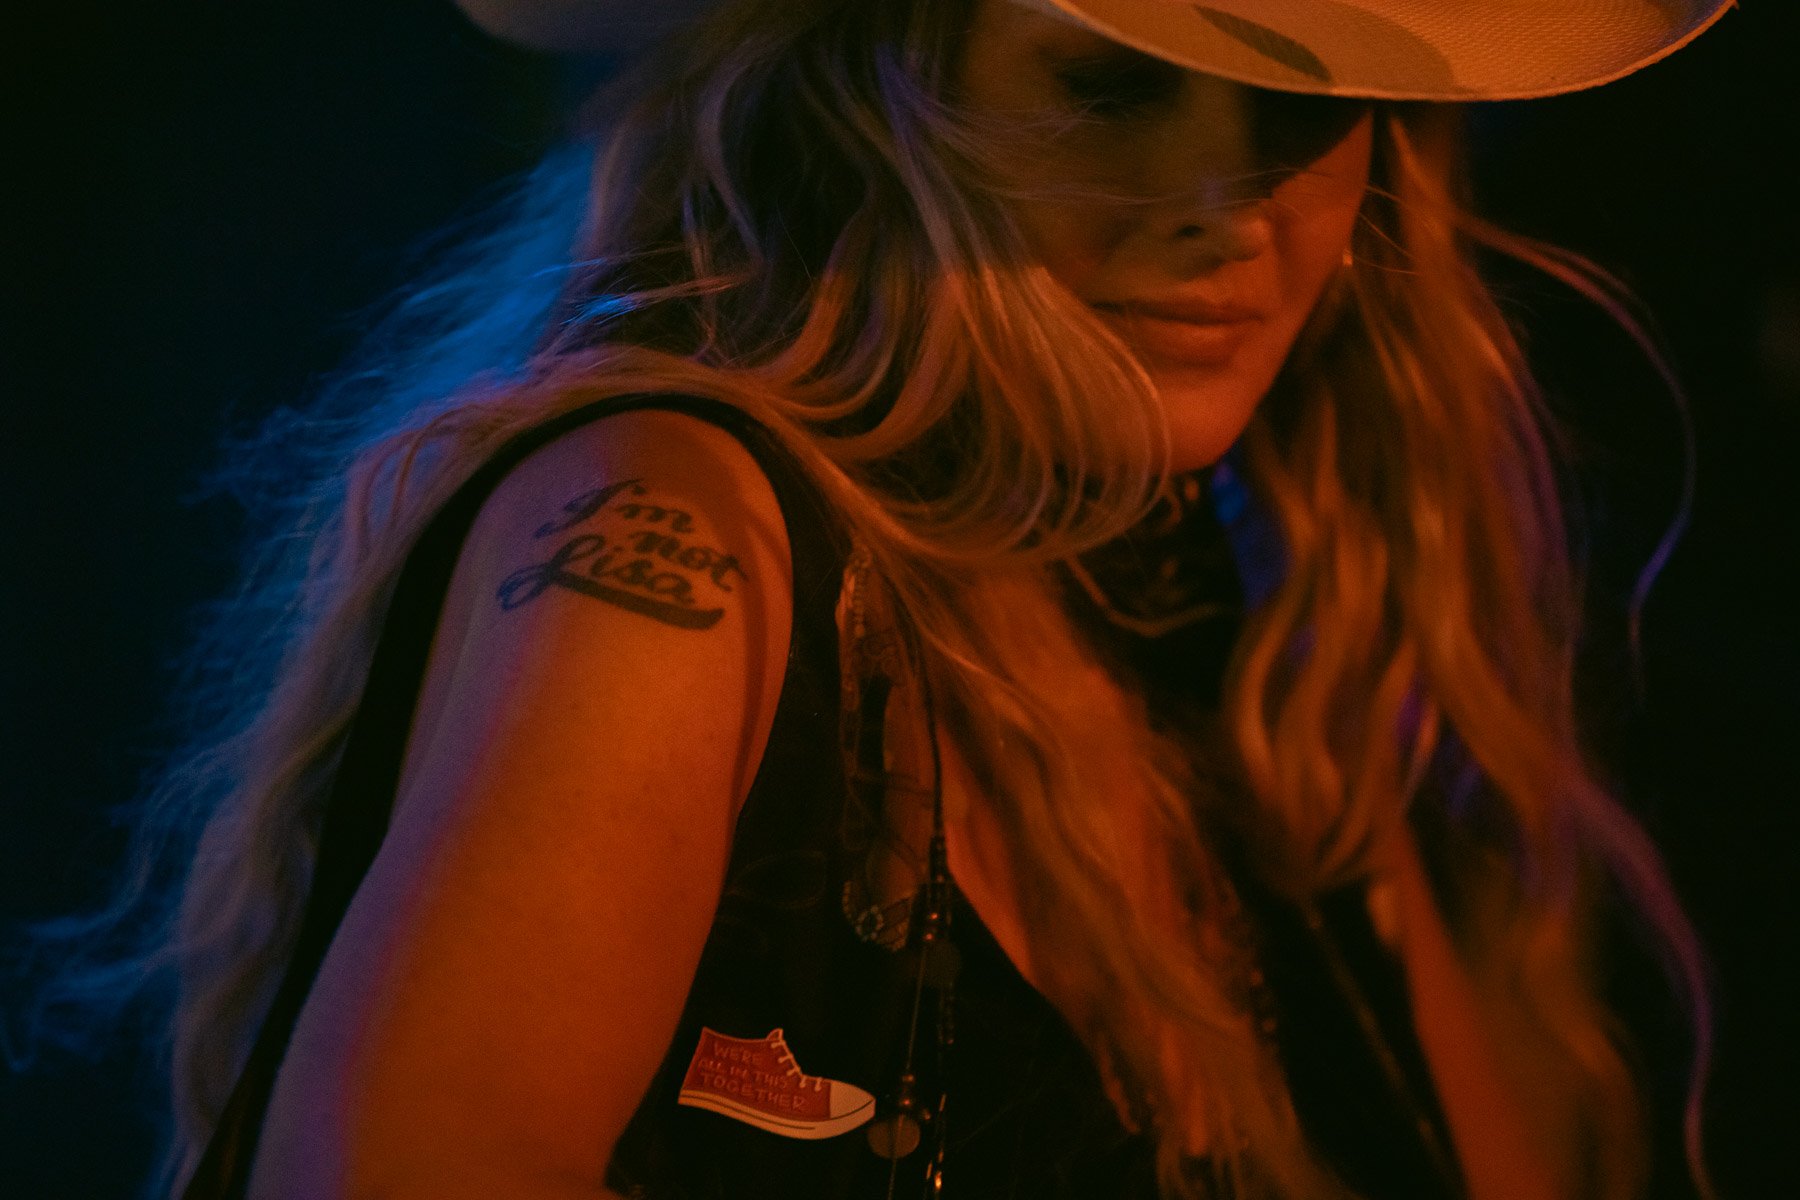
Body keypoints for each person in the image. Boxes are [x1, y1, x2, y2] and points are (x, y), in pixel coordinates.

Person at [60, 0, 1738, 1197]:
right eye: (1108, 86)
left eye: (1304, 108)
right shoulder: (672, 527)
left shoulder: (1257, 647)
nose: (1226, 206)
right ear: (871, 97)